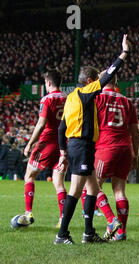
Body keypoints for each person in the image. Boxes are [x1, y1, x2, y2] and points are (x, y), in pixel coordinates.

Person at [54, 34, 130, 245]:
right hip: (82, 145)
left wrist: (62, 152)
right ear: (89, 82)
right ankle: (62, 234)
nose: (98, 82)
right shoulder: (87, 93)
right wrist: (124, 53)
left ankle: (89, 233)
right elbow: (108, 77)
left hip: (76, 146)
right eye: (95, 80)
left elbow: (61, 127)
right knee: (76, 190)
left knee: (93, 188)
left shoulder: (71, 97)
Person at [90, 69, 139, 241]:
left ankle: (111, 221)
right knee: (119, 190)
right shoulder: (127, 101)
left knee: (92, 186)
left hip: (106, 147)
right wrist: (136, 154)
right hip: (125, 148)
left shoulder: (98, 98)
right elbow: (135, 131)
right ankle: (122, 232)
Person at [16, 69, 68, 228]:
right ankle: (62, 219)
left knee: (29, 175)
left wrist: (30, 143)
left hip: (47, 143)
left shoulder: (47, 99)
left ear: (49, 83)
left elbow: (41, 123)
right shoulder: (68, 98)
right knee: (59, 182)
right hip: (63, 145)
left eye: (45, 83)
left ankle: (28, 213)